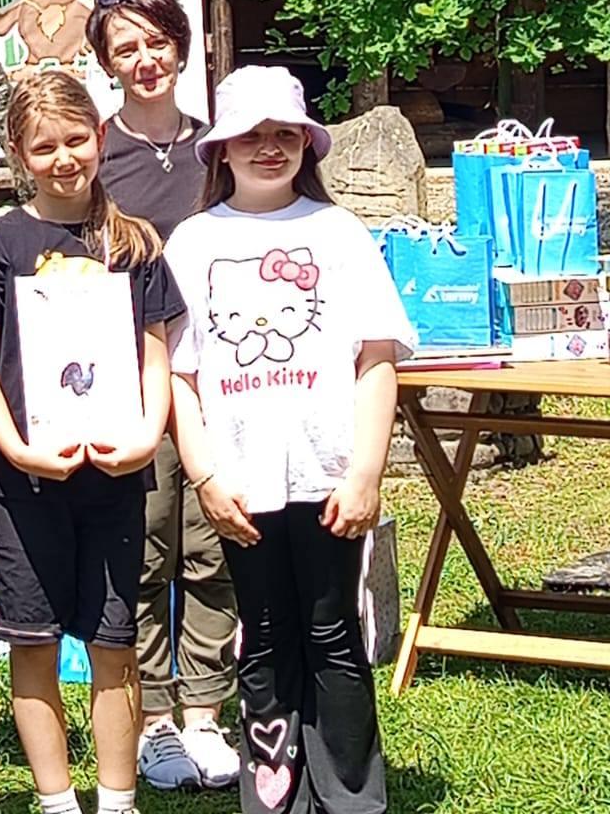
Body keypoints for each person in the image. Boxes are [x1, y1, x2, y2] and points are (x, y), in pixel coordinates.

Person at [164, 66, 415, 814]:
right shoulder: (194, 241)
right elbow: (179, 375)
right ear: (221, 150)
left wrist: (365, 472)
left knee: (334, 632)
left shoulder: (339, 233)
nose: (269, 148)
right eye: (251, 136)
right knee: (264, 633)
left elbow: (377, 359)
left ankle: (351, 795)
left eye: (285, 134)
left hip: (327, 477)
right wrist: (206, 478)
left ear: (308, 145)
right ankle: (274, 792)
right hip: (240, 484)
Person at [0, 71, 184, 814]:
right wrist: (15, 448)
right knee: (34, 642)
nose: (63, 159)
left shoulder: (133, 242)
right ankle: (56, 801)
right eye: (44, 147)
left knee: (116, 644)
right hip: (22, 486)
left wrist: (147, 437)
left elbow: (156, 356)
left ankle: (117, 800)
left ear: (100, 138)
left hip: (115, 480)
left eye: (76, 140)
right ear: (19, 155)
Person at [86, 0, 239, 793]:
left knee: (213, 545)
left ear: (181, 46)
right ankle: (151, 721)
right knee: (142, 548)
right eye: (126, 49)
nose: (145, 60)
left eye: (156, 43)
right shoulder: (93, 155)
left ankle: (206, 711)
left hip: (219, 379)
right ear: (106, 64)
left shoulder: (222, 148)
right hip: (129, 382)